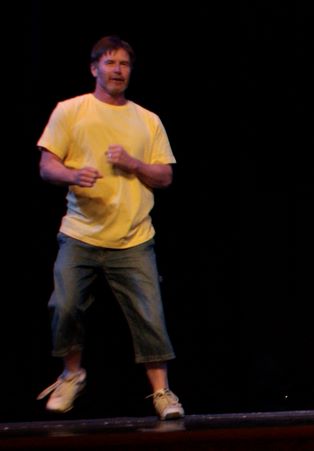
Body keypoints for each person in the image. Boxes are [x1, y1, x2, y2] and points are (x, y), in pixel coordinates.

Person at [35, 36, 184, 420]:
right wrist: (72, 175)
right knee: (65, 305)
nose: (118, 70)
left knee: (150, 316)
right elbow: (47, 166)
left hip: (134, 237)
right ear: (94, 68)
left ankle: (162, 392)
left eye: (124, 64)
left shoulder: (147, 119)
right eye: (110, 62)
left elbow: (165, 176)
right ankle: (71, 375)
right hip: (81, 233)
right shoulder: (71, 111)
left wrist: (134, 164)